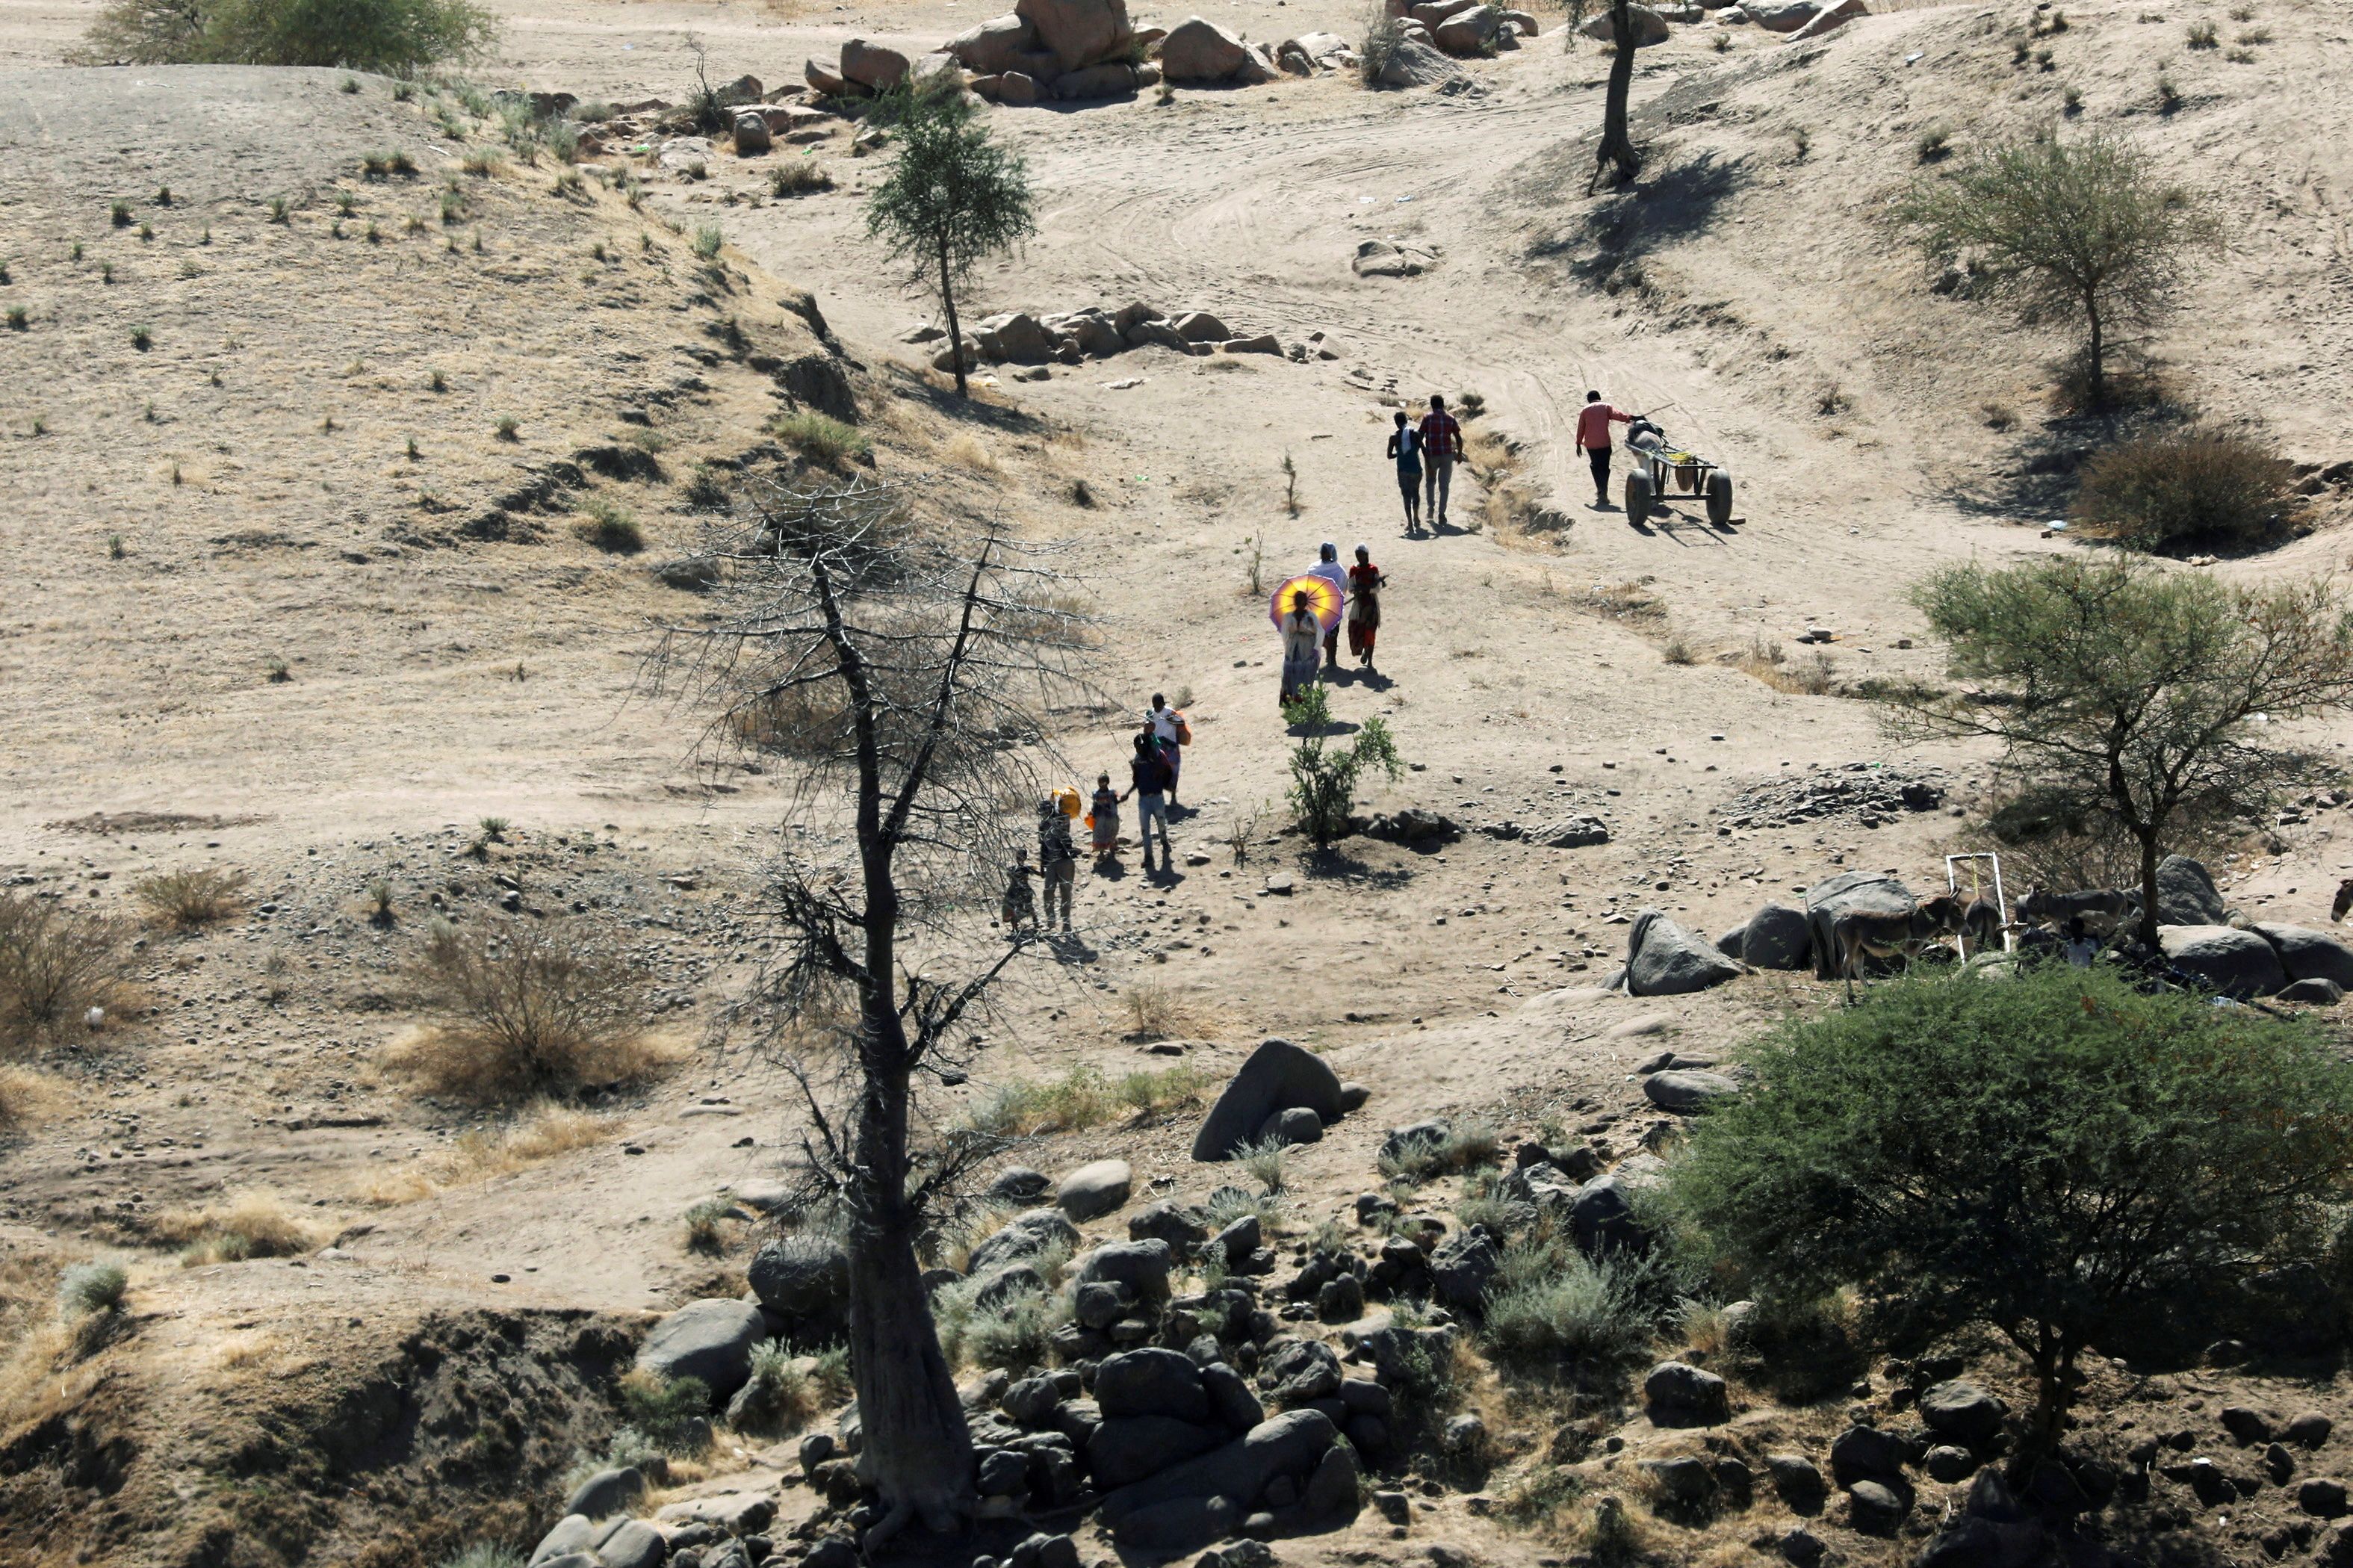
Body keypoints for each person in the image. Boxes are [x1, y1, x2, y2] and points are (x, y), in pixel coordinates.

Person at [1120, 732, 1174, 872]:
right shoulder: (1138, 760)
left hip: (1157, 797)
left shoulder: (1157, 756)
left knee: (1161, 823)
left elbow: (1167, 770)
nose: (1137, 749)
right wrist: (1128, 793)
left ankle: (1164, 841)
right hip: (1143, 798)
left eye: (1138, 747)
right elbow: (1137, 781)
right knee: (1145, 830)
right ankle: (1148, 856)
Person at [1575, 389, 1634, 508]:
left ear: (1589, 400)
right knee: (1605, 467)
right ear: (1599, 398)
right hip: (1605, 444)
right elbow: (1619, 416)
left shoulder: (1585, 411)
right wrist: (1631, 418)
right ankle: (1604, 490)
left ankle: (1600, 489)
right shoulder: (1606, 407)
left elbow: (1581, 428)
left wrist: (1578, 444)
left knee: (1595, 466)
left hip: (1591, 445)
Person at [1418, 394, 1463, 528]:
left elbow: (1420, 435)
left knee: (1430, 482)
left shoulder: (1428, 418)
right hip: (1447, 456)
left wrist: (1423, 450)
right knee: (1444, 486)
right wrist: (1459, 454)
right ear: (1443, 404)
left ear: (1432, 405)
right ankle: (1442, 514)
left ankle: (1431, 508)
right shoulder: (1451, 418)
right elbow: (1458, 437)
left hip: (1432, 455)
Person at [1037, 796, 1076, 931]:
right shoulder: (1042, 825)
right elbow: (1043, 846)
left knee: (1065, 892)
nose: (1043, 815)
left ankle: (1066, 921)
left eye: (1045, 811)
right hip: (1051, 863)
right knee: (1048, 891)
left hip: (1065, 860)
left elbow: (1066, 836)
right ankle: (1051, 920)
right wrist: (1042, 866)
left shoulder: (1061, 820)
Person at [1279, 587, 1321, 707]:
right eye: (1299, 602)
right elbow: (1285, 634)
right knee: (1290, 678)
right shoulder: (1288, 617)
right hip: (1293, 652)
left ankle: (1302, 705)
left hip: (1306, 652)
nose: (1301, 604)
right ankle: (1292, 705)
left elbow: (1318, 632)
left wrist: (1309, 629)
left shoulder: (1311, 617)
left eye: (1302, 602)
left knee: (1304, 679)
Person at [1345, 545, 1385, 669]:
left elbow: (1377, 588)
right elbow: (1351, 588)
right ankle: (1365, 652)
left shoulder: (1373, 569)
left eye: (1362, 555)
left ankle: (1370, 660)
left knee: (1370, 633)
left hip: (1371, 605)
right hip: (1359, 605)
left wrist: (1365, 590)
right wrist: (1358, 591)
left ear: (1367, 555)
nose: (1360, 558)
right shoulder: (1354, 570)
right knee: (1357, 630)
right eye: (1358, 555)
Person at [1309, 542, 1349, 666]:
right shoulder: (1338, 570)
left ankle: (1327, 658)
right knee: (1332, 635)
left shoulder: (1313, 568)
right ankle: (1331, 659)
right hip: (1332, 609)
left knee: (1319, 634)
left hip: (1317, 609)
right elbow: (1343, 589)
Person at [1147, 692, 1189, 806]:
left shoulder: (1170, 712)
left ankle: (1173, 796)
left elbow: (1181, 722)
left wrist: (1171, 719)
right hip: (1158, 746)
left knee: (1174, 770)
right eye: (1154, 705)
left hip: (1171, 745)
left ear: (1162, 703)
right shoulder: (1151, 714)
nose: (1156, 707)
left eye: (1158, 705)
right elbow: (1146, 729)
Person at [1385, 411, 1423, 534]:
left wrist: (1400, 454)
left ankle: (1410, 523)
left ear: (1396, 423)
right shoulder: (1415, 434)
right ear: (1406, 421)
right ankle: (1416, 517)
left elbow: (1389, 456)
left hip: (1403, 471)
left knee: (1406, 496)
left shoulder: (1394, 438)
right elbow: (1424, 449)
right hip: (1416, 469)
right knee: (1416, 493)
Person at [1000, 846, 1038, 935]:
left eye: (1021, 857)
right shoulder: (1012, 869)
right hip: (1013, 891)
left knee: (1027, 907)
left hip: (1024, 891)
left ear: (1024, 858)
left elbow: (1039, 873)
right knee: (1010, 908)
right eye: (1018, 857)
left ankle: (1036, 924)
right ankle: (1014, 928)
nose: (1019, 859)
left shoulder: (1027, 869)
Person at [1089, 772, 1120, 864]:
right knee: (1100, 833)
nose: (1101, 785)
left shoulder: (1112, 793)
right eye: (1100, 783)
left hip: (1111, 816)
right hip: (1100, 817)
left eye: (1103, 782)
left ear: (1107, 782)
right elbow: (1094, 805)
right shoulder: (1096, 794)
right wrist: (1093, 814)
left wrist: (1121, 800)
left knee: (1112, 832)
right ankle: (1101, 852)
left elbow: (1116, 802)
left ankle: (1112, 848)